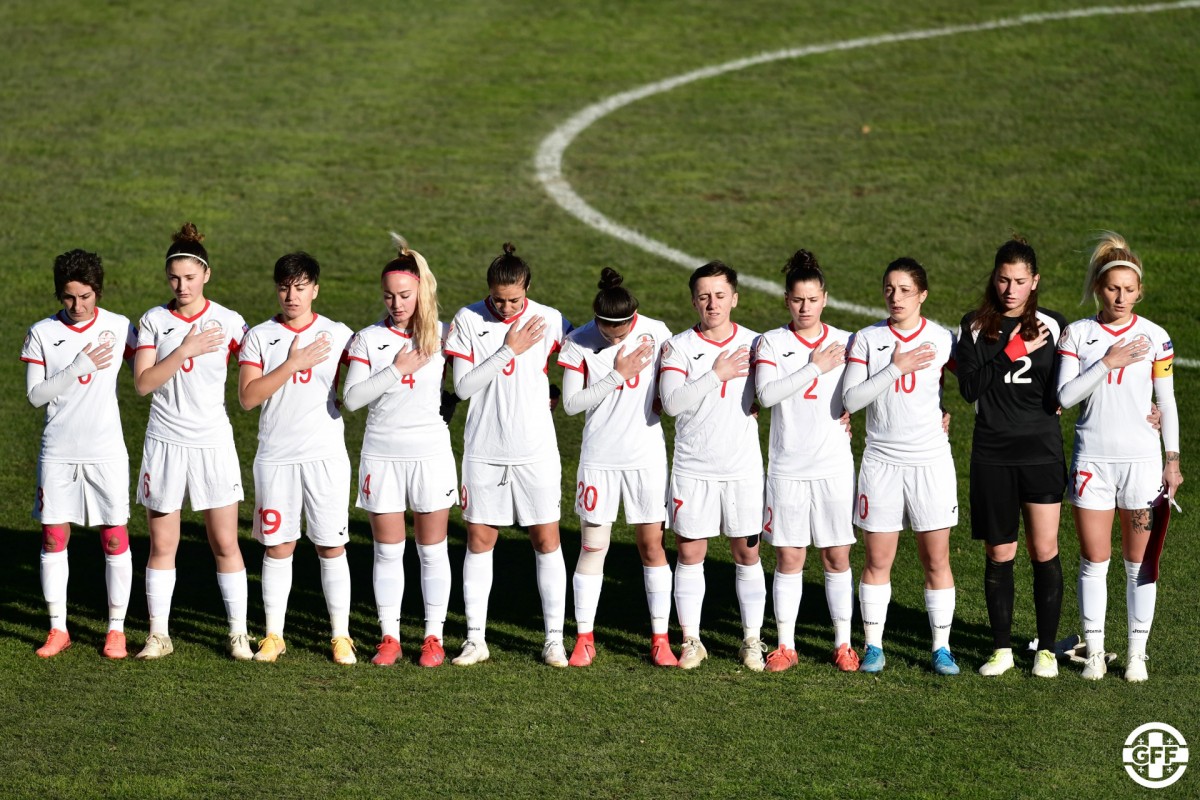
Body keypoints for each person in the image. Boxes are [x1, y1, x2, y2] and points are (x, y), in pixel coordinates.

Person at [1057, 232, 1181, 682]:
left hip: (1142, 464)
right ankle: (1094, 653)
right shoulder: (1078, 334)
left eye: (1129, 289)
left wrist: (1172, 459)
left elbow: (1166, 401)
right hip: (1092, 462)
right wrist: (1107, 362)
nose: (1121, 297)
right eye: (1113, 288)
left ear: (1139, 291)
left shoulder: (1156, 337)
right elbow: (1064, 397)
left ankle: (1136, 655)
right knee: (1094, 561)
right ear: (1098, 287)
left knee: (1139, 564)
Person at [444, 243, 572, 667]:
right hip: (485, 450)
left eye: (514, 300)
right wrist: (508, 349)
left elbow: (584, 354)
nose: (506, 308)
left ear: (527, 288)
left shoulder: (551, 319)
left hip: (536, 450)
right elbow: (463, 387)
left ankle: (554, 640)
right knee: (480, 541)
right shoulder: (468, 320)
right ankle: (475, 640)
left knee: (546, 539)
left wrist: (559, 391)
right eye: (499, 300)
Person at [133, 223, 251, 661]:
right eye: (174, 278)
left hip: (212, 442)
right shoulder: (153, 321)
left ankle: (238, 633)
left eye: (189, 277)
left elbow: (258, 365)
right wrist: (184, 349)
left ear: (206, 275)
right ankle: (158, 635)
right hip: (164, 441)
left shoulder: (230, 321)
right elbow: (143, 383)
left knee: (225, 542)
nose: (181, 286)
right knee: (163, 544)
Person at [956, 238, 1068, 678]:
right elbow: (970, 389)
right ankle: (1001, 650)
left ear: (1034, 281)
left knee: (1044, 549)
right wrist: (1013, 351)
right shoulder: (973, 326)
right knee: (1000, 552)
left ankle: (1046, 652)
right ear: (994, 277)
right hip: (992, 453)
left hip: (1041, 451)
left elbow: (1069, 385)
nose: (1010, 289)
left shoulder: (1055, 325)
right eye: (1004, 279)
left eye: (1020, 281)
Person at [343, 234, 456, 668]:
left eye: (405, 295)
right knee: (388, 550)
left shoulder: (443, 336)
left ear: (421, 291)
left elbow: (473, 378)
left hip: (430, 454)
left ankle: (433, 637)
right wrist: (397, 369)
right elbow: (352, 397)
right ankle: (389, 637)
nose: (396, 303)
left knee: (432, 550)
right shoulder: (368, 339)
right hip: (382, 455)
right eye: (389, 295)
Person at [842, 257, 960, 675]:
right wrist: (896, 367)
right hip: (882, 463)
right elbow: (851, 399)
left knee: (936, 560)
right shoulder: (867, 339)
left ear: (922, 295)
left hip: (930, 462)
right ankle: (873, 646)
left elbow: (976, 383)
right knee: (877, 560)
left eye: (906, 290)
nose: (896, 297)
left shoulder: (942, 339)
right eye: (890, 289)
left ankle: (941, 648)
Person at [238, 252, 356, 665]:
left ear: (315, 290)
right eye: (285, 287)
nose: (292, 296)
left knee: (331, 545)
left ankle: (341, 635)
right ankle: (274, 635)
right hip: (276, 457)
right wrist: (292, 363)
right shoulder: (259, 336)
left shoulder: (339, 334)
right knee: (278, 546)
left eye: (301, 287)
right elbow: (248, 397)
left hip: (325, 456)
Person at [22, 249, 138, 659]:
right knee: (54, 537)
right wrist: (77, 366)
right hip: (58, 451)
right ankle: (58, 629)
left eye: (85, 296)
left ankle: (116, 631)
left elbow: (146, 375)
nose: (77, 305)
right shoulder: (42, 332)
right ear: (60, 293)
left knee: (114, 537)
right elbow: (35, 396)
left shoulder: (119, 327)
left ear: (97, 292)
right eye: (69, 297)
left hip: (106, 451)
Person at [557, 267, 676, 667]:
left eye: (622, 326)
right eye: (606, 327)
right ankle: (584, 638)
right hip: (599, 460)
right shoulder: (578, 342)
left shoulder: (657, 332)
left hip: (646, 458)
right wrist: (617, 375)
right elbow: (571, 404)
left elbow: (675, 382)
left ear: (634, 316)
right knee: (593, 546)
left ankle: (660, 638)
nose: (614, 334)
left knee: (652, 546)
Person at [659, 260, 766, 671]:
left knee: (747, 554)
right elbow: (672, 403)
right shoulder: (678, 347)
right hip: (693, 468)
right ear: (693, 301)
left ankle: (751, 641)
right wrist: (716, 374)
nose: (712, 303)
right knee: (690, 554)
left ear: (734, 299)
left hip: (742, 469)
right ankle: (691, 640)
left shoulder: (756, 344)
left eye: (720, 295)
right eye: (704, 296)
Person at [755, 250, 858, 673]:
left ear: (825, 299)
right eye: (797, 300)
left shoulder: (848, 341)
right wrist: (814, 368)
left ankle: (843, 644)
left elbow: (871, 391)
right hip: (787, 469)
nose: (804, 307)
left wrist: (940, 410)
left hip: (834, 466)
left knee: (837, 557)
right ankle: (785, 645)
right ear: (786, 300)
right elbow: (766, 395)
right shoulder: (771, 343)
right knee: (789, 558)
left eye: (812, 299)